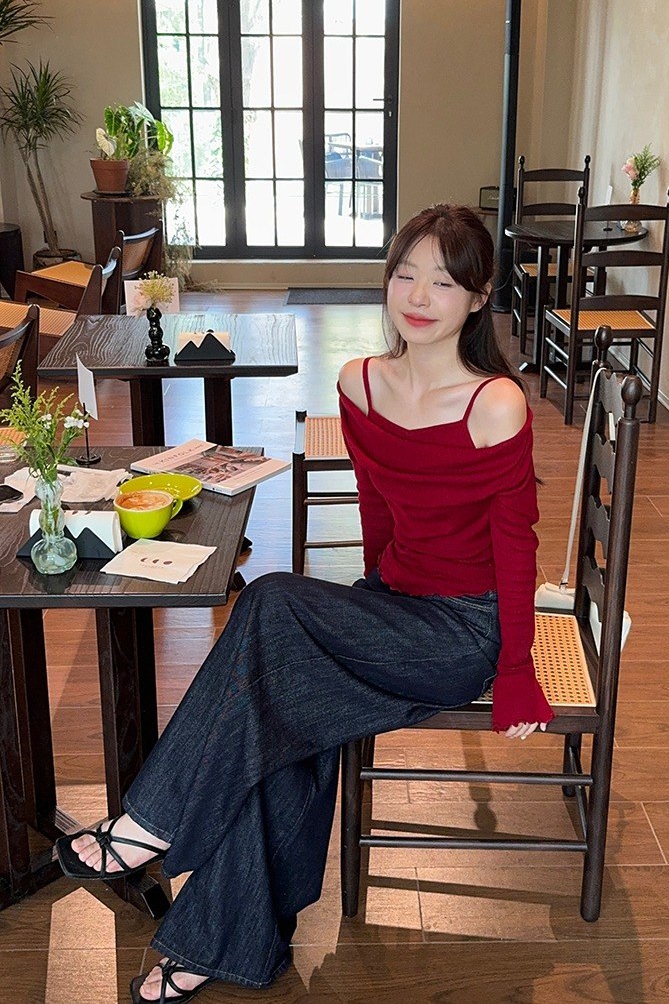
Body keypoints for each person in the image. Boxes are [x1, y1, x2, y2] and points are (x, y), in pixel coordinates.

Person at [56, 203, 554, 1003]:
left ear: (478, 294)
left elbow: (516, 544)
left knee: (271, 603)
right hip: (393, 606)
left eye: (442, 281)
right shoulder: (360, 382)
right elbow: (378, 512)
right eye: (405, 274)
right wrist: (364, 612)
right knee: (273, 714)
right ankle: (221, 944)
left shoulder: (495, 403)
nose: (417, 295)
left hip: (462, 630)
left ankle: (154, 819)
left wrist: (518, 668)